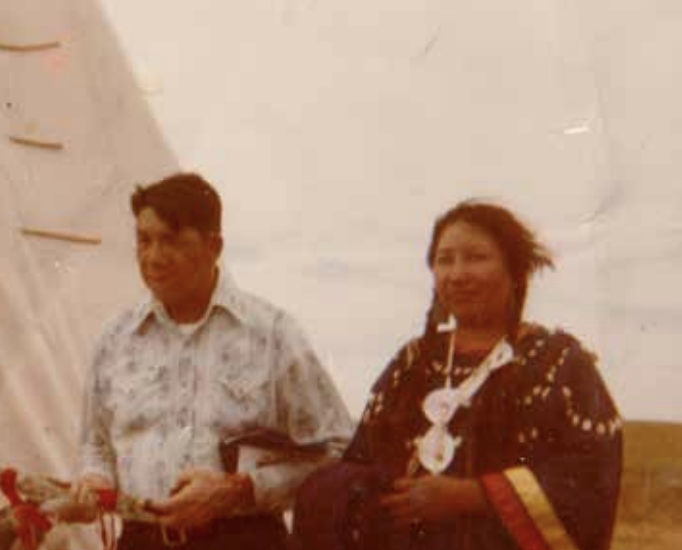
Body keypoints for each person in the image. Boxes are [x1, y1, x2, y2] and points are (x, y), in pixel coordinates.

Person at [292, 200, 622, 550]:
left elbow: (589, 483)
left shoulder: (559, 364)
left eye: (477, 257)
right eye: (444, 259)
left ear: (515, 271)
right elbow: (362, 460)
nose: (458, 273)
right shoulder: (412, 363)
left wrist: (469, 496)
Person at [75, 173, 352, 549]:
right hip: (139, 540)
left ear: (214, 245)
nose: (153, 257)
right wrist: (95, 482)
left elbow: (339, 454)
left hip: (243, 540)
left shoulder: (274, 335)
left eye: (170, 240)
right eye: (144, 240)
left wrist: (239, 490)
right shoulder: (115, 339)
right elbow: (97, 446)